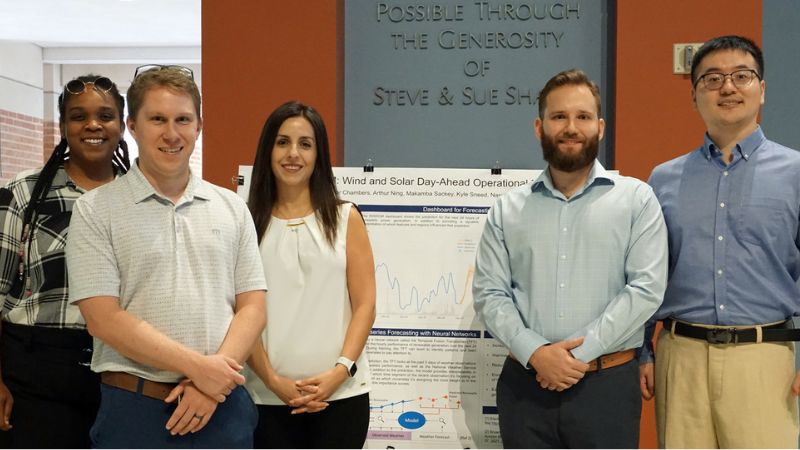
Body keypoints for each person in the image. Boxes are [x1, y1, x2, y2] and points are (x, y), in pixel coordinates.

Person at [64, 65, 267, 448]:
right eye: (157, 119)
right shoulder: (96, 210)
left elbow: (253, 307)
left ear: (199, 126)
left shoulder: (232, 208)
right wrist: (198, 369)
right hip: (135, 411)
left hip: (223, 409)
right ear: (133, 126)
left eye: (183, 120)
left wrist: (211, 385)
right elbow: (103, 319)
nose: (171, 133)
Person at [472, 69, 668, 448]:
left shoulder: (636, 200)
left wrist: (575, 356)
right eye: (559, 116)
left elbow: (646, 289)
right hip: (525, 387)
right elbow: (489, 293)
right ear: (539, 127)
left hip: (606, 387)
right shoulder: (508, 209)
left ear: (600, 127)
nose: (571, 128)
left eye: (583, 116)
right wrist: (536, 353)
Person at [638, 35, 800, 448]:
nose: (727, 87)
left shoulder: (795, 173)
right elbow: (647, 273)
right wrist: (644, 350)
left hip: (765, 359)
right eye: (712, 79)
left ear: (762, 89)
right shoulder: (663, 179)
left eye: (741, 76)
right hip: (681, 358)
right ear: (694, 96)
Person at [0, 75, 130, 448]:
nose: (93, 125)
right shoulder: (23, 194)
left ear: (123, 126)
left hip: (123, 370)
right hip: (35, 376)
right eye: (78, 116)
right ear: (62, 126)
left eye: (105, 115)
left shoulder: (141, 198)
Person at [244, 101, 376, 449]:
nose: (293, 154)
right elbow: (240, 313)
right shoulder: (245, 223)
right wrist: (272, 380)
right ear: (268, 149)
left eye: (305, 144)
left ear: (319, 154)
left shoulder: (346, 218)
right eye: (282, 142)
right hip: (265, 397)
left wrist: (340, 371)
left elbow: (365, 305)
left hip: (341, 397)